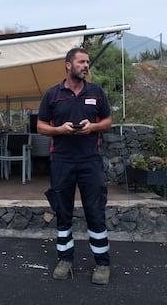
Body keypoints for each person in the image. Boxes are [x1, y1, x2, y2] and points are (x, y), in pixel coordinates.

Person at [37, 47, 112, 284]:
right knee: (63, 212)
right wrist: (59, 130)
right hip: (62, 160)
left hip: (90, 160)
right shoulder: (52, 94)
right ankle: (65, 260)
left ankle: (102, 264)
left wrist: (93, 126)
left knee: (95, 211)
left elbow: (108, 122)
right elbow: (40, 126)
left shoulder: (96, 92)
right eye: (81, 62)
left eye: (87, 62)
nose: (86, 65)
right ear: (68, 65)